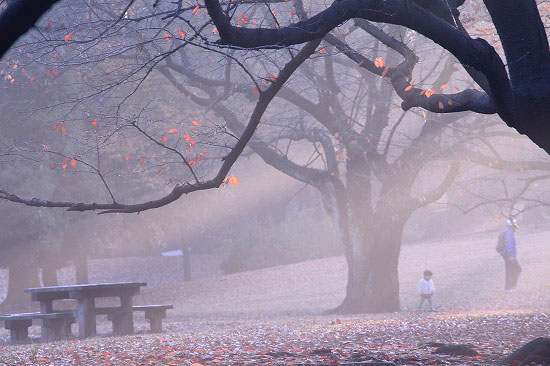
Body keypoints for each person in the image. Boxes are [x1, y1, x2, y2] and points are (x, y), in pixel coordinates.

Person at [500, 218, 521, 291]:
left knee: (510, 270)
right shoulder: (509, 233)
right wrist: (511, 256)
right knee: (517, 269)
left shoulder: (509, 231)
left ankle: (508, 287)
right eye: (515, 224)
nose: (516, 225)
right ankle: (511, 287)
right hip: (509, 255)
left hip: (507, 254)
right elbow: (509, 245)